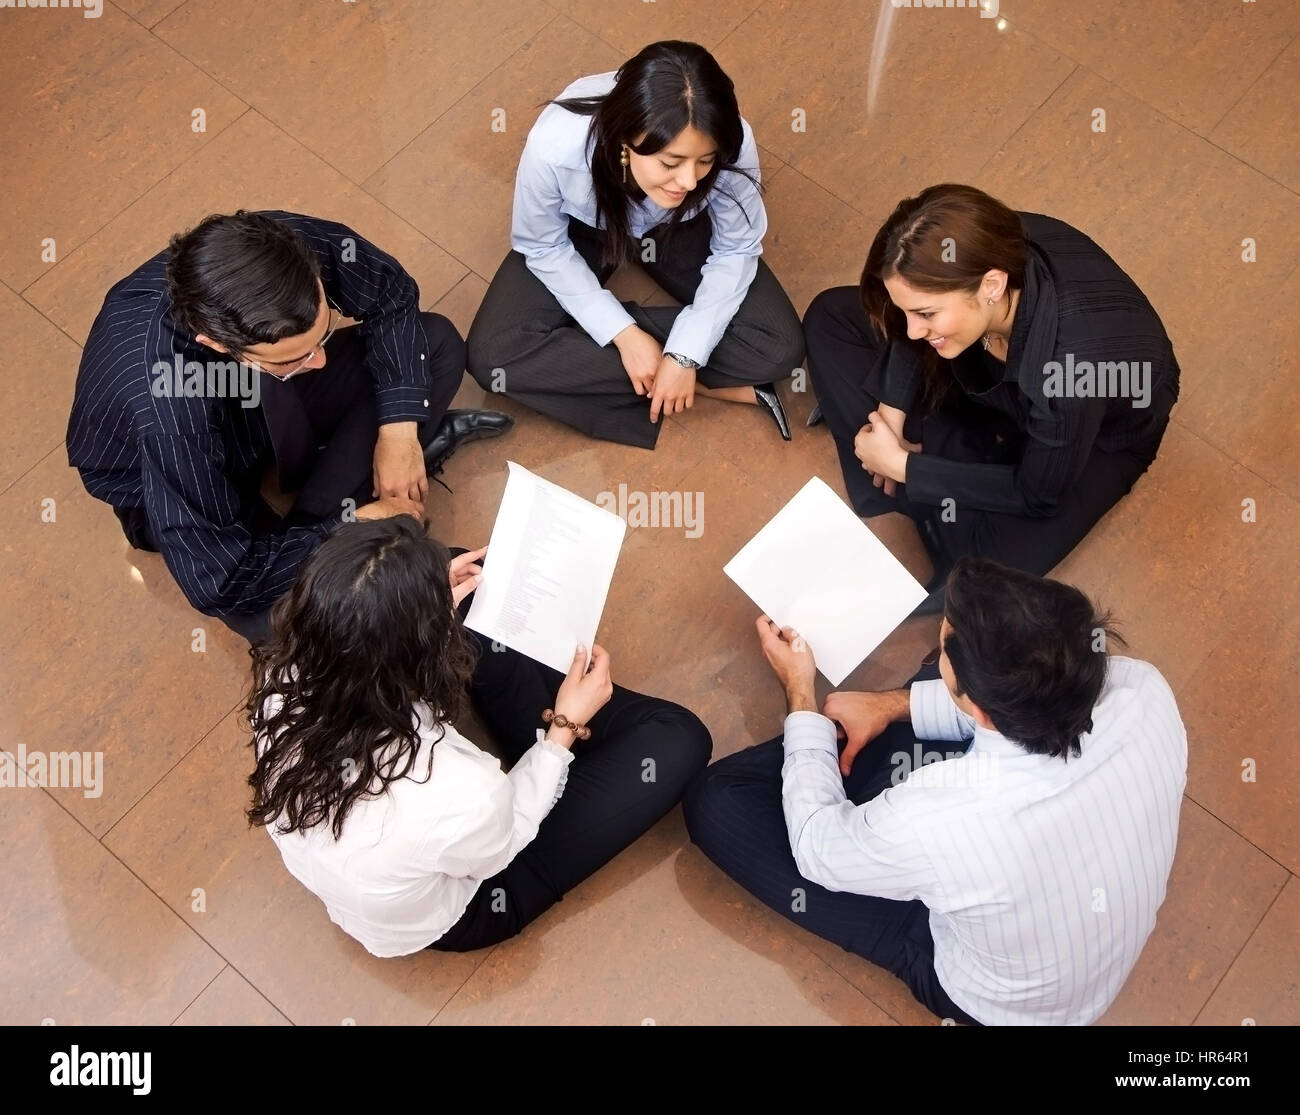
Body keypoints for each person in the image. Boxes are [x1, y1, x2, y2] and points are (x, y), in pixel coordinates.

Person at [684, 557, 1188, 1026]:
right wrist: (889, 705)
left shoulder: (947, 816)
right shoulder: (1143, 688)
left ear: (982, 708)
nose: (942, 644)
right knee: (925, 686)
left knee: (716, 802)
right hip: (1068, 956)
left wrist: (799, 694)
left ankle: (824, 761)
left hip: (997, 1007)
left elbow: (820, 852)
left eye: (947, 645)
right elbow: (1007, 708)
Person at [247, 515, 712, 956]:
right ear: (420, 659)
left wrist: (416, 613)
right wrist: (563, 730)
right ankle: (571, 717)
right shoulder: (461, 790)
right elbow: (506, 840)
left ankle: (558, 716)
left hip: (406, 846)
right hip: (476, 897)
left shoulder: (283, 674)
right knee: (680, 737)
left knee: (468, 576)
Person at [67, 209, 512, 644]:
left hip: (252, 396)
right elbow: (220, 581)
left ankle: (330, 519)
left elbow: (389, 293)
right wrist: (344, 527)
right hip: (167, 474)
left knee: (434, 343)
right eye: (295, 356)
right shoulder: (169, 411)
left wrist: (397, 430)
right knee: (275, 621)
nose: (319, 361)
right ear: (217, 344)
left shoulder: (281, 248)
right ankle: (336, 519)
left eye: (323, 335)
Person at [803, 184, 1179, 604]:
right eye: (908, 310)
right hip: (989, 371)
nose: (910, 330)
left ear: (992, 286)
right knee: (830, 317)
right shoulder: (982, 240)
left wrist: (905, 465)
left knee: (983, 575)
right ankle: (909, 481)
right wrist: (891, 410)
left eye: (925, 314)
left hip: (1093, 440)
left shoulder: (1071, 372)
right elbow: (908, 332)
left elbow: (1036, 493)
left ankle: (916, 467)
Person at [467, 40, 805, 448]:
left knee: (780, 347)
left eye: (705, 161)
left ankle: (612, 354)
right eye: (670, 163)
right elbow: (542, 246)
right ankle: (702, 385)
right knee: (492, 357)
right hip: (587, 231)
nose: (690, 182)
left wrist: (683, 354)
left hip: (680, 227)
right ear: (626, 144)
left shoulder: (729, 137)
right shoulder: (556, 145)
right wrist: (624, 334)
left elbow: (737, 248)